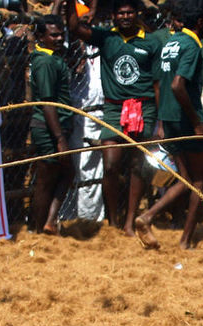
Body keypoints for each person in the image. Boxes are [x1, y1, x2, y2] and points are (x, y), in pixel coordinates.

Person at [66, 0, 162, 236]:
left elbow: (158, 84)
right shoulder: (106, 37)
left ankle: (130, 221)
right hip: (114, 110)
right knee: (110, 164)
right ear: (114, 16)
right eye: (121, 13)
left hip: (144, 108)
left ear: (136, 14)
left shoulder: (151, 41)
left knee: (138, 166)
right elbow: (75, 28)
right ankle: (112, 221)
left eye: (129, 12)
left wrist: (159, 122)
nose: (125, 16)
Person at [132, 0, 203, 250]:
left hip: (168, 116)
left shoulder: (171, 42)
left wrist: (162, 118)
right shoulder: (193, 45)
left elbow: (161, 83)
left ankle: (147, 217)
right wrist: (197, 123)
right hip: (185, 119)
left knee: (185, 178)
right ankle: (185, 241)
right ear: (200, 22)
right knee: (200, 181)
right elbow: (177, 85)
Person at [28, 14, 74, 234]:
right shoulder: (45, 61)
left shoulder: (54, 58)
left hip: (58, 125)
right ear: (40, 37)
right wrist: (60, 139)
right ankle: (39, 228)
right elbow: (47, 103)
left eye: (61, 34)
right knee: (46, 180)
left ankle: (49, 221)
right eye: (53, 35)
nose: (58, 38)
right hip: (48, 129)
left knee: (66, 173)